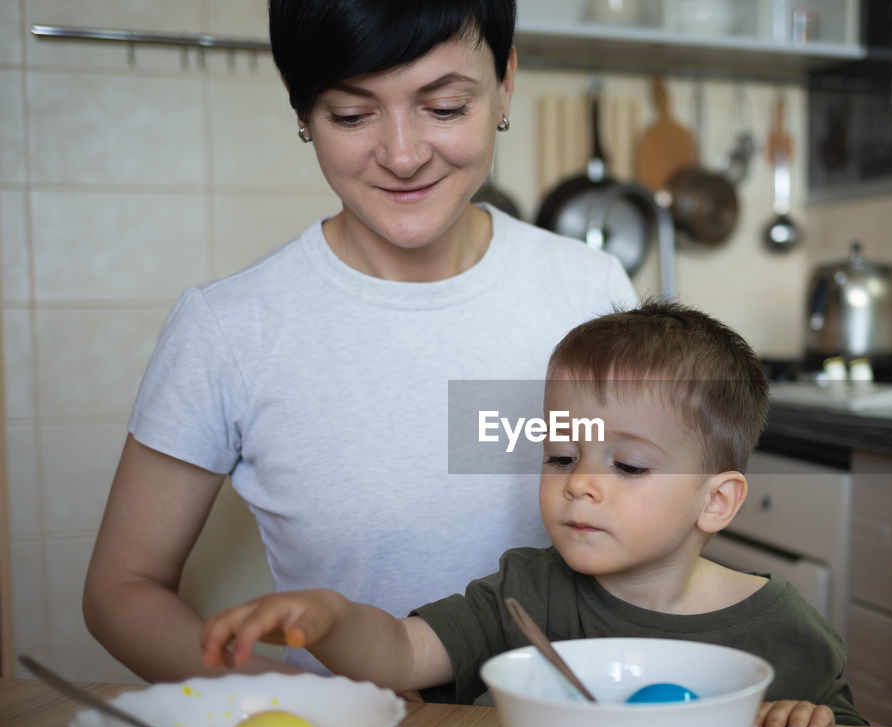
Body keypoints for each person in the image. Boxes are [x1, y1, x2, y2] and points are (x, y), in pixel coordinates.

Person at [83, 0, 637, 682]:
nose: (402, 156)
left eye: (444, 108)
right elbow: (122, 589)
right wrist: (299, 705)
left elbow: (662, 538)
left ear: (505, 83)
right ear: (301, 112)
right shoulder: (230, 327)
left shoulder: (591, 291)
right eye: (351, 115)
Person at [201, 302, 868, 727]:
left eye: (628, 466)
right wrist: (327, 616)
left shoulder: (785, 631)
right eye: (561, 454)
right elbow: (401, 652)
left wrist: (808, 721)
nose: (579, 483)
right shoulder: (526, 593)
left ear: (715, 501)